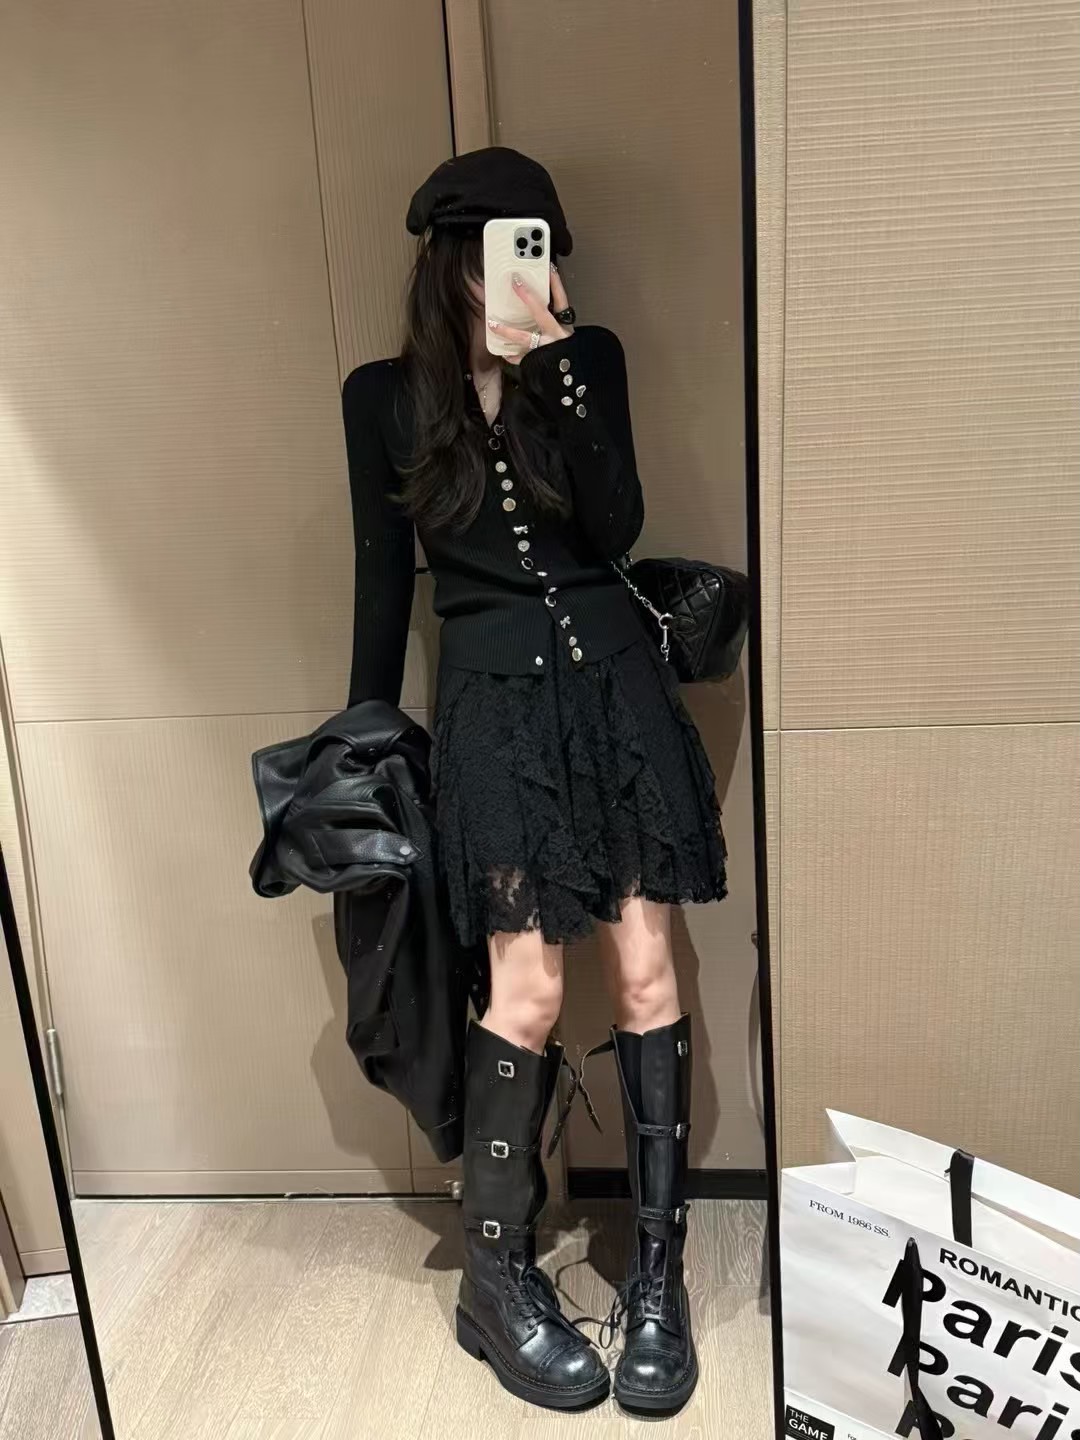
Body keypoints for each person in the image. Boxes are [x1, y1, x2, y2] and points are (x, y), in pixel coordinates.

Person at [342, 147, 727, 1415]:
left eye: (546, 247)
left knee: (649, 971)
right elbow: (383, 582)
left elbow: (614, 526)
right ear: (454, 260)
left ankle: (658, 1278)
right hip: (495, 716)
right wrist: (363, 747)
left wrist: (553, 365)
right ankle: (495, 1280)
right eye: (511, 248)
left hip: (616, 695)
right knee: (528, 988)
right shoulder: (383, 398)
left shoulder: (587, 360)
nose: (533, 268)